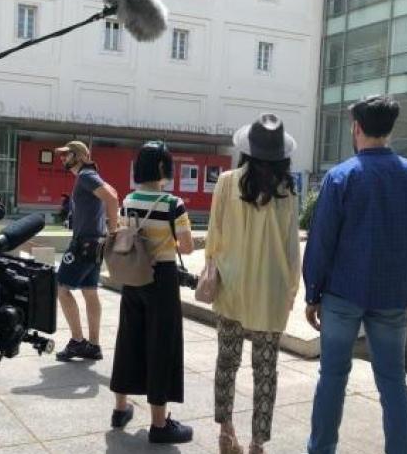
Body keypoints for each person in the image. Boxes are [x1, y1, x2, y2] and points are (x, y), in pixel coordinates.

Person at [303, 96, 407, 454]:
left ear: (356, 128)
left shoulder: (341, 177)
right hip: (394, 297)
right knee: (393, 380)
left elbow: (321, 241)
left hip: (342, 293)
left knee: (332, 376)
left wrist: (313, 292)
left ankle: (321, 449)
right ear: (389, 130)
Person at [207, 114, 300, 454]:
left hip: (232, 285)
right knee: (265, 370)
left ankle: (225, 431)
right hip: (271, 291)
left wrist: (213, 270)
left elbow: (214, 236)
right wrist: (292, 289)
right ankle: (257, 444)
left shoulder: (227, 182)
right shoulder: (287, 191)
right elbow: (291, 248)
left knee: (226, 361)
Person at [109, 141, 195, 444]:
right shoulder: (173, 204)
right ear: (161, 167)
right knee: (161, 344)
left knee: (128, 338)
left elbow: (125, 234)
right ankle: (159, 424)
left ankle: (120, 409)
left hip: (133, 275)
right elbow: (187, 246)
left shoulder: (129, 200)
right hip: (162, 279)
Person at [54, 140, 119, 362]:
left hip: (84, 244)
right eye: (62, 155)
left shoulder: (85, 176)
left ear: (80, 156)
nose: (63, 158)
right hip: (95, 244)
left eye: (67, 154)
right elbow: (113, 191)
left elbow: (112, 197)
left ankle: (77, 341)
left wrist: (113, 230)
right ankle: (93, 345)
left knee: (61, 288)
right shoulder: (91, 175)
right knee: (90, 291)